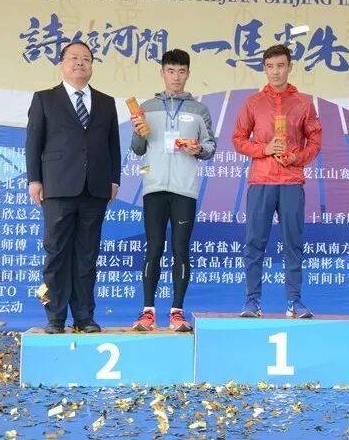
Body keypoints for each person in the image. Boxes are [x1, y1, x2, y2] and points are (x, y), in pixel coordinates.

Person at [25, 41, 121, 334]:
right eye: (74, 58)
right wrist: (34, 180)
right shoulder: (44, 98)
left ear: (92, 65)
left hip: (95, 188)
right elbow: (34, 141)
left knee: (87, 255)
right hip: (57, 186)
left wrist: (114, 180)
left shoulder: (106, 102)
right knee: (56, 254)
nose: (80, 63)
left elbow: (113, 144)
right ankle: (54, 317)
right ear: (62, 64)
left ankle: (84, 317)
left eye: (86, 59)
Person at [232, 44, 322, 318]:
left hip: (291, 182)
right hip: (261, 181)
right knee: (254, 243)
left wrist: (296, 157)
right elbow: (238, 139)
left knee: (293, 243)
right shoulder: (253, 103)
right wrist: (265, 149)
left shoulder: (303, 103)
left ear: (290, 67)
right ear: (264, 68)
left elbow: (315, 141)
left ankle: (294, 302)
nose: (275, 72)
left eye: (281, 66)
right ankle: (252, 302)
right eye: (270, 66)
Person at [130, 49, 216, 332]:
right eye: (170, 71)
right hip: (154, 187)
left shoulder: (199, 110)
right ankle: (148, 313)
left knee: (181, 249)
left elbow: (210, 147)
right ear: (162, 73)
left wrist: (198, 149)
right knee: (153, 248)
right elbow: (137, 148)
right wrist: (137, 130)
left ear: (188, 74)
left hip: (184, 190)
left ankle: (177, 313)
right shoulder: (147, 107)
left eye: (181, 71)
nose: (176, 77)